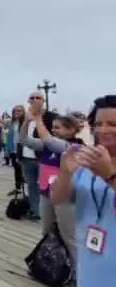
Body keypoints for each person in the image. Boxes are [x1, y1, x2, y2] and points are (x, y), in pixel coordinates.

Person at [52, 95, 116, 286]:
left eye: (112, 124)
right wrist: (65, 172)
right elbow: (59, 199)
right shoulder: (87, 159)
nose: (104, 130)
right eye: (98, 123)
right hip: (90, 262)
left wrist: (109, 176)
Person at [20, 107, 83, 275]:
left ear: (71, 130)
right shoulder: (48, 146)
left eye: (58, 127)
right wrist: (27, 120)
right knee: (46, 232)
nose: (54, 130)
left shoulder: (73, 147)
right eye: (53, 126)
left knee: (69, 236)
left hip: (65, 197)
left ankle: (77, 275)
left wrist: (38, 118)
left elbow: (49, 141)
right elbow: (24, 140)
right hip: (46, 194)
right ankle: (48, 265)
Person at [20, 91, 57, 221]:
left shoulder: (52, 117)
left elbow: (54, 138)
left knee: (45, 187)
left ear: (43, 100)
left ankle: (47, 213)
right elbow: (21, 138)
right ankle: (35, 211)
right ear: (28, 100)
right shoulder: (24, 117)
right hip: (26, 158)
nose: (35, 100)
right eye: (32, 98)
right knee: (31, 185)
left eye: (38, 97)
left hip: (42, 158)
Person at [6, 105, 26, 195]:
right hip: (13, 149)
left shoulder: (25, 122)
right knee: (16, 170)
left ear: (23, 112)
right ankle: (18, 188)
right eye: (15, 111)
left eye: (19, 111)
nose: (17, 112)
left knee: (24, 170)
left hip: (22, 149)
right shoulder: (12, 123)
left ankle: (25, 189)